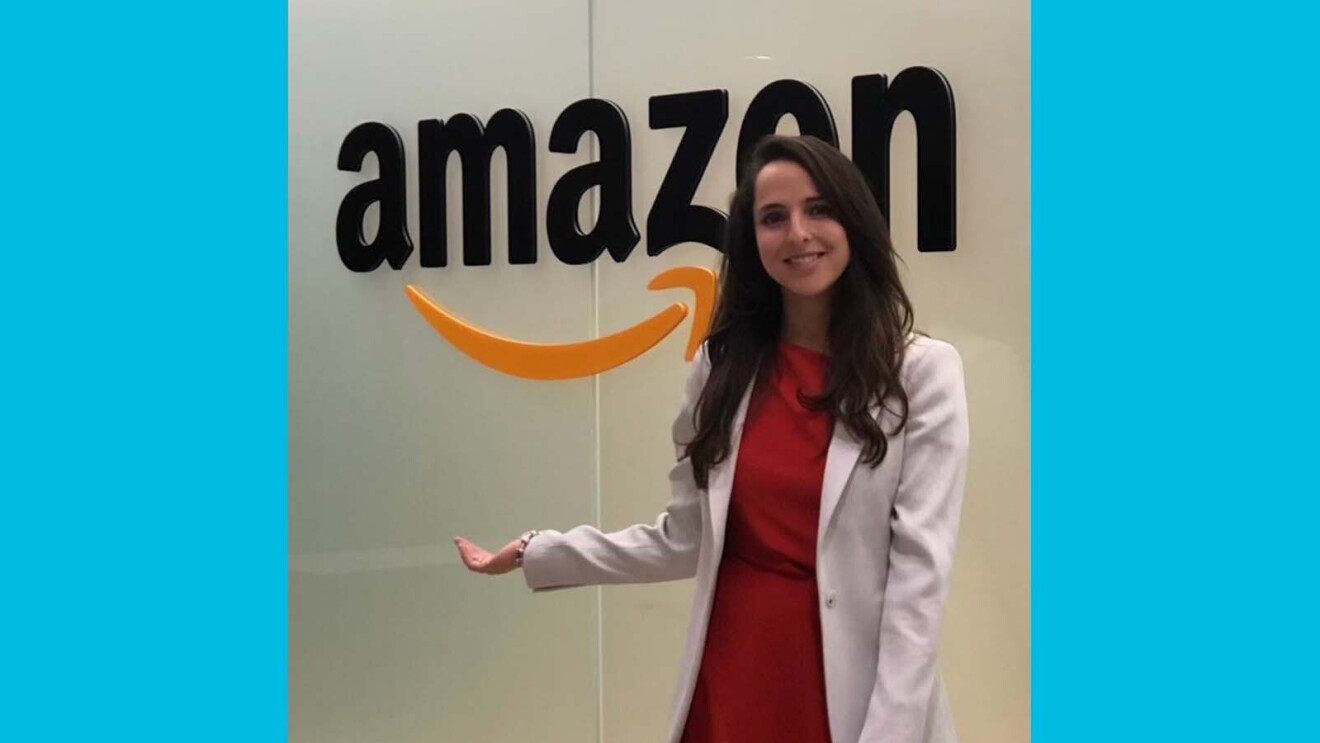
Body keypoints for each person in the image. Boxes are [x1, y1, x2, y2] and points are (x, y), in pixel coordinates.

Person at [453, 134, 969, 743]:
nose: (798, 233)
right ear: (752, 241)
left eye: (819, 209)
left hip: (854, 695)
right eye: (774, 218)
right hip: (734, 670)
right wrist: (543, 550)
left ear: (853, 221)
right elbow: (686, 537)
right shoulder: (721, 368)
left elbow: (919, 584)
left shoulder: (921, 373)